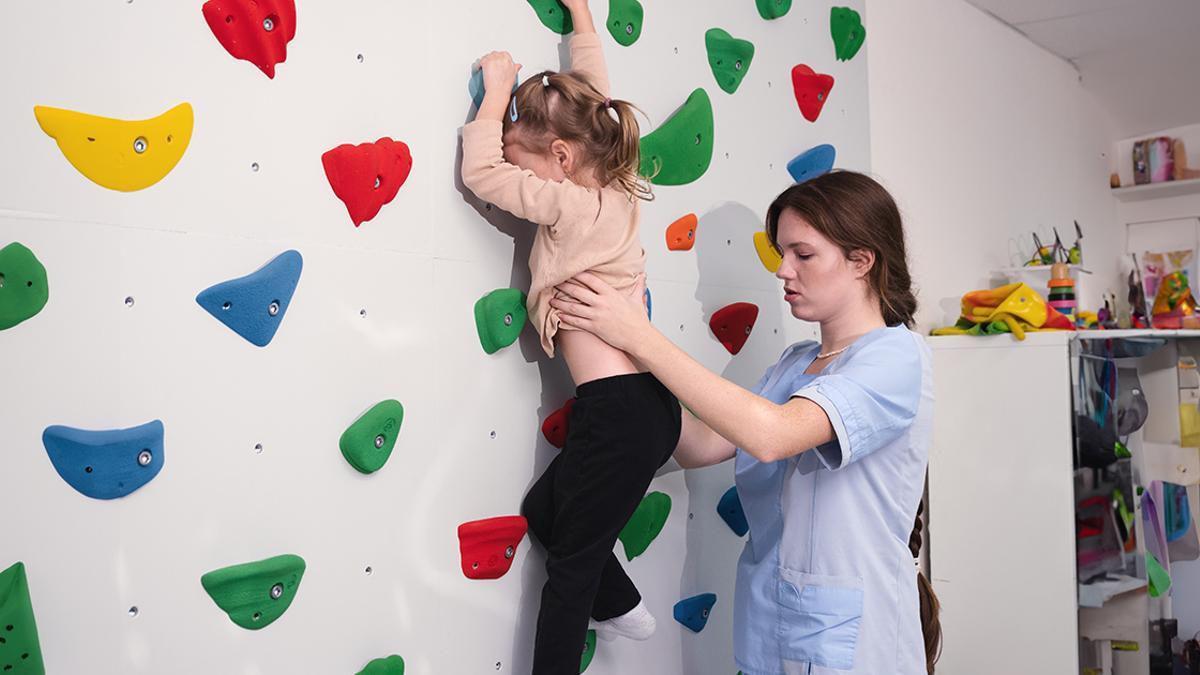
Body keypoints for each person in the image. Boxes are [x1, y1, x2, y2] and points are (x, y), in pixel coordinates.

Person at [551, 171, 943, 674]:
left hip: (853, 647)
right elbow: (695, 445)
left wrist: (640, 335)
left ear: (861, 261)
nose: (783, 271)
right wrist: (615, 359)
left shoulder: (895, 359)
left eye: (803, 255)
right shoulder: (792, 364)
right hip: (768, 628)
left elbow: (772, 435)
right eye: (783, 254)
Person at [459, 2, 680, 673]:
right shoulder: (615, 184)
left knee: (569, 577)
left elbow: (483, 176)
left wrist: (496, 92)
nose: (524, 178)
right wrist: (582, 19)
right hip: (634, 407)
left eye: (530, 162)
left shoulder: (572, 204)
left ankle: (598, 620)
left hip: (617, 412)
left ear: (559, 157)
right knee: (545, 514)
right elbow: (599, 95)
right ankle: (623, 609)